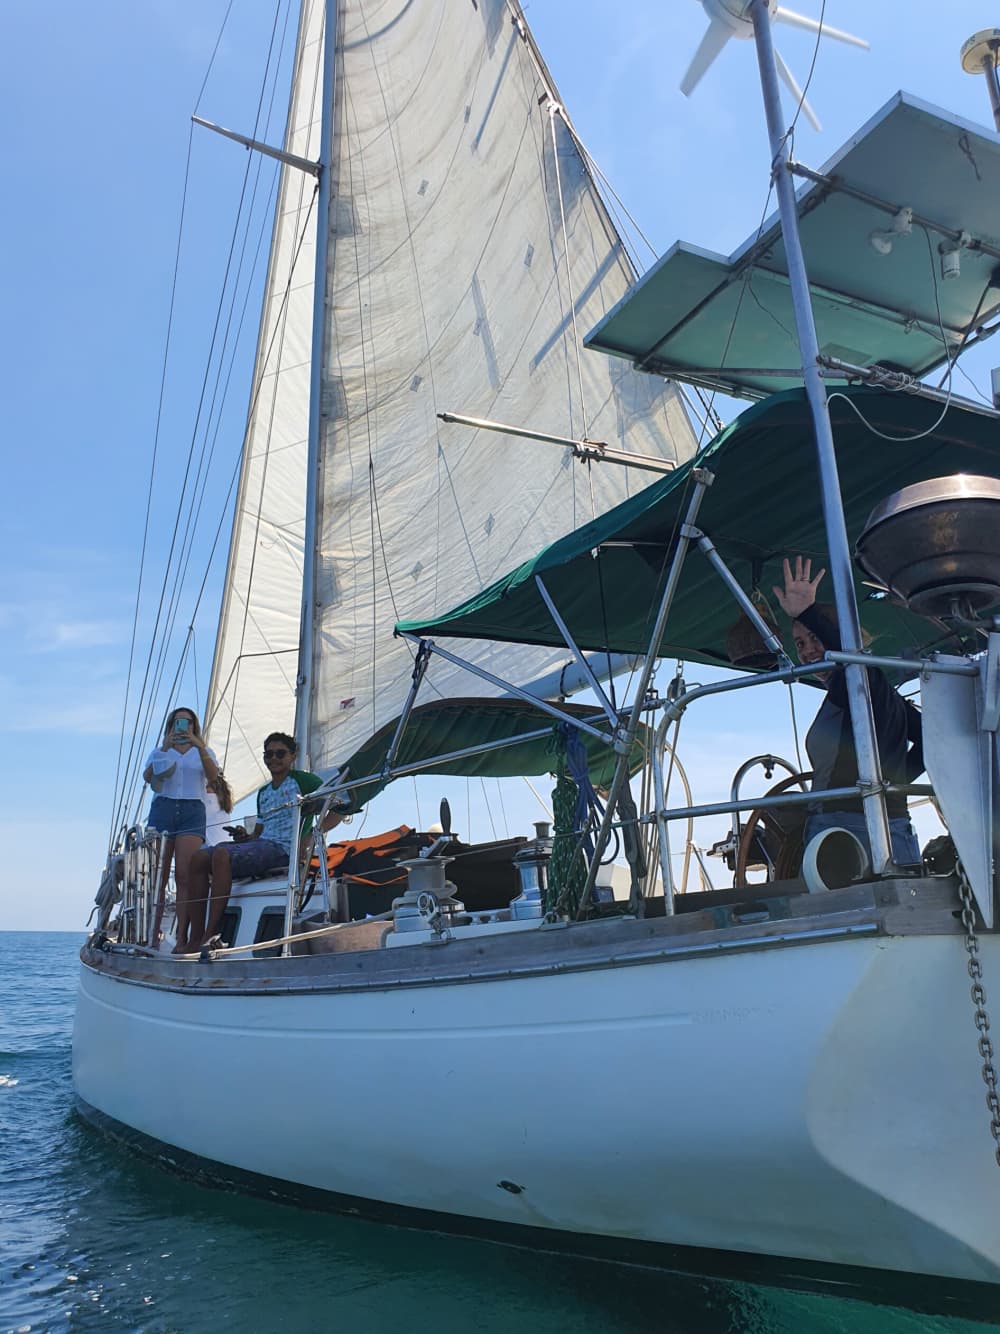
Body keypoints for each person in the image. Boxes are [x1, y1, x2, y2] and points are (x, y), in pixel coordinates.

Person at [772, 555, 923, 869]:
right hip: (871, 826)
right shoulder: (877, 692)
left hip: (851, 833)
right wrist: (890, 785)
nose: (808, 650)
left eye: (815, 637)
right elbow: (932, 742)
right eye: (799, 643)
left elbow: (851, 668)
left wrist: (807, 613)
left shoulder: (862, 681)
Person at [189, 731, 344, 949]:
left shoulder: (304, 781)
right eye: (268, 754)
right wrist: (245, 837)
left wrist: (307, 838)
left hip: (284, 849)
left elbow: (340, 808)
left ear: (292, 756)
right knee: (198, 858)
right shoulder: (263, 792)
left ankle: (211, 933)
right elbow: (259, 835)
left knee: (222, 855)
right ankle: (194, 937)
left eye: (280, 754)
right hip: (263, 845)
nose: (273, 759)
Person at [143, 706, 221, 953]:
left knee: (185, 875)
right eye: (178, 723)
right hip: (163, 809)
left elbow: (213, 776)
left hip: (191, 810)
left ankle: (182, 935)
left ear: (194, 726)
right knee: (159, 875)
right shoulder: (159, 751)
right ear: (170, 726)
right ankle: (152, 932)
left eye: (187, 723)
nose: (182, 727)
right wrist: (165, 748)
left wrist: (199, 746)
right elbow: (148, 777)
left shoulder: (204, 751)